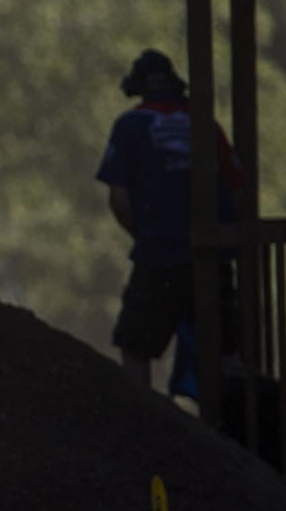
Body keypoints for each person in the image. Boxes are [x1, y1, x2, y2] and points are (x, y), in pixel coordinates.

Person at [96, 49, 243, 390]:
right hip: (211, 254)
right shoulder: (206, 124)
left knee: (135, 347)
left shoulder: (130, 124)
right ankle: (226, 431)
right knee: (224, 350)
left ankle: (142, 426)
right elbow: (237, 189)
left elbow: (119, 199)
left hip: (159, 256)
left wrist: (145, 235)